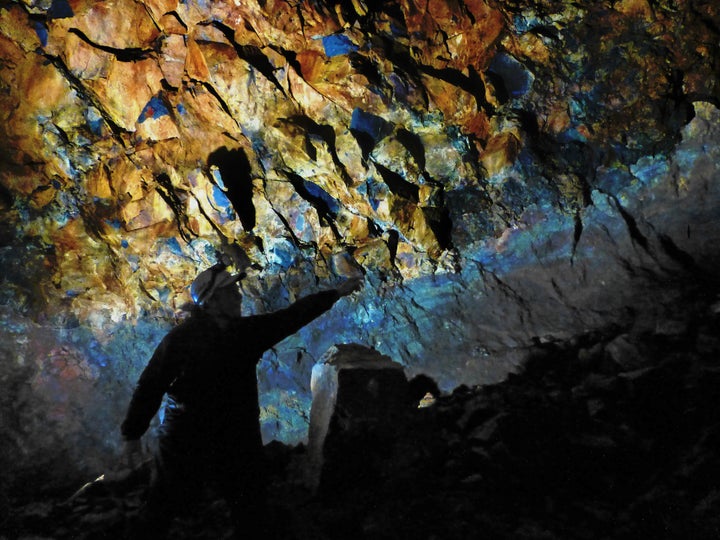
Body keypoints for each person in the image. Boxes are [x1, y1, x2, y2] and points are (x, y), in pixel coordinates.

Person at [119, 261, 362, 538]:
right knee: (164, 505)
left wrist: (336, 293)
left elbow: (292, 316)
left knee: (249, 506)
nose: (238, 295)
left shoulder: (243, 333)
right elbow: (151, 384)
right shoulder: (182, 340)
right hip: (187, 437)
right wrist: (132, 433)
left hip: (232, 434)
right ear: (211, 301)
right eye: (230, 291)